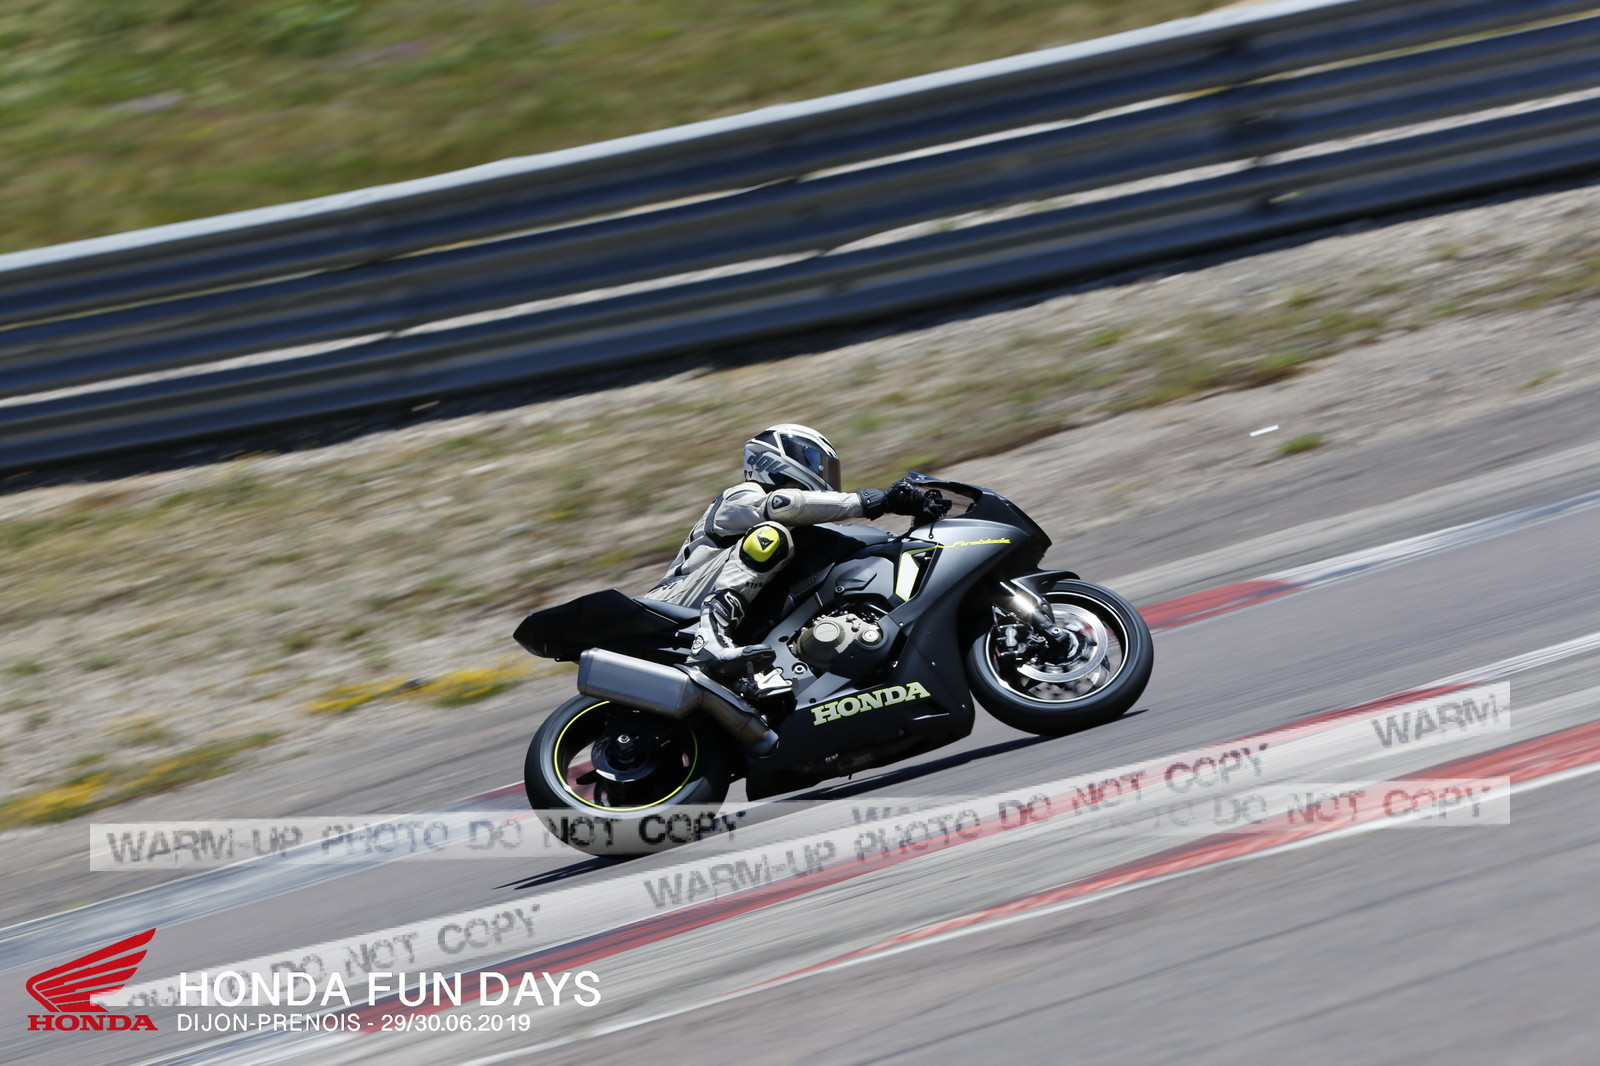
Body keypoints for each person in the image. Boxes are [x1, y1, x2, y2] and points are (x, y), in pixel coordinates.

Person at [646, 424, 922, 692]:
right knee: (769, 536)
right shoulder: (741, 496)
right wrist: (872, 501)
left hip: (698, 601)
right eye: (818, 463)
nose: (825, 476)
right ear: (774, 459)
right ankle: (708, 642)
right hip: (670, 606)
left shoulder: (797, 530)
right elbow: (784, 506)